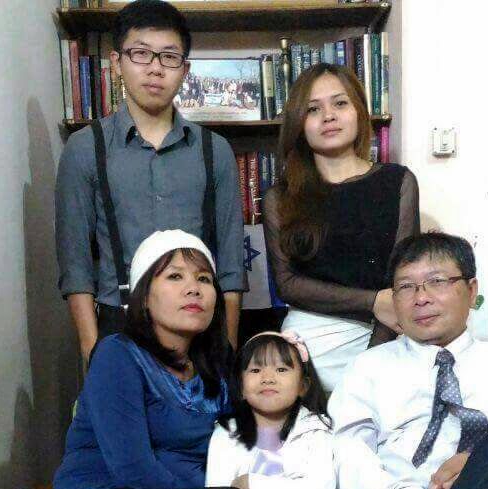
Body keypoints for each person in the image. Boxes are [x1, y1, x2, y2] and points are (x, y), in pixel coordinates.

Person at [55, 0, 245, 364]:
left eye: (169, 57)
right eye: (141, 53)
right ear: (116, 62)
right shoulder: (85, 148)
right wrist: (93, 351)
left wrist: (227, 350)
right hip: (119, 325)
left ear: (185, 69)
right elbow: (75, 265)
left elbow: (232, 265)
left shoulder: (215, 151)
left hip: (199, 329)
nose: (155, 68)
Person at [329, 231, 488, 489]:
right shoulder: (367, 369)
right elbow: (349, 454)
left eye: (437, 281)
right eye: (406, 287)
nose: (421, 298)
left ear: (471, 290)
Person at [262, 63, 420, 391]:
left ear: (359, 111)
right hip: (306, 349)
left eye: (340, 103)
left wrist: (371, 365)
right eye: (313, 109)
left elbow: (402, 280)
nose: (328, 116)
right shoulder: (280, 197)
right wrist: (372, 301)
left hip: (385, 340)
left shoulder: (398, 182)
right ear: (298, 123)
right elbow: (287, 284)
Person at [53, 230, 233, 489]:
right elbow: (134, 472)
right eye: (175, 276)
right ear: (144, 297)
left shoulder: (216, 366)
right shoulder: (117, 356)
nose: (194, 289)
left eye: (204, 278)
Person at [205, 331, 335, 489]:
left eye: (281, 369)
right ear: (241, 387)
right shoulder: (226, 433)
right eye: (255, 370)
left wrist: (251, 483)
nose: (268, 378)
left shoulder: (317, 430)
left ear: (303, 386)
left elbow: (321, 484)